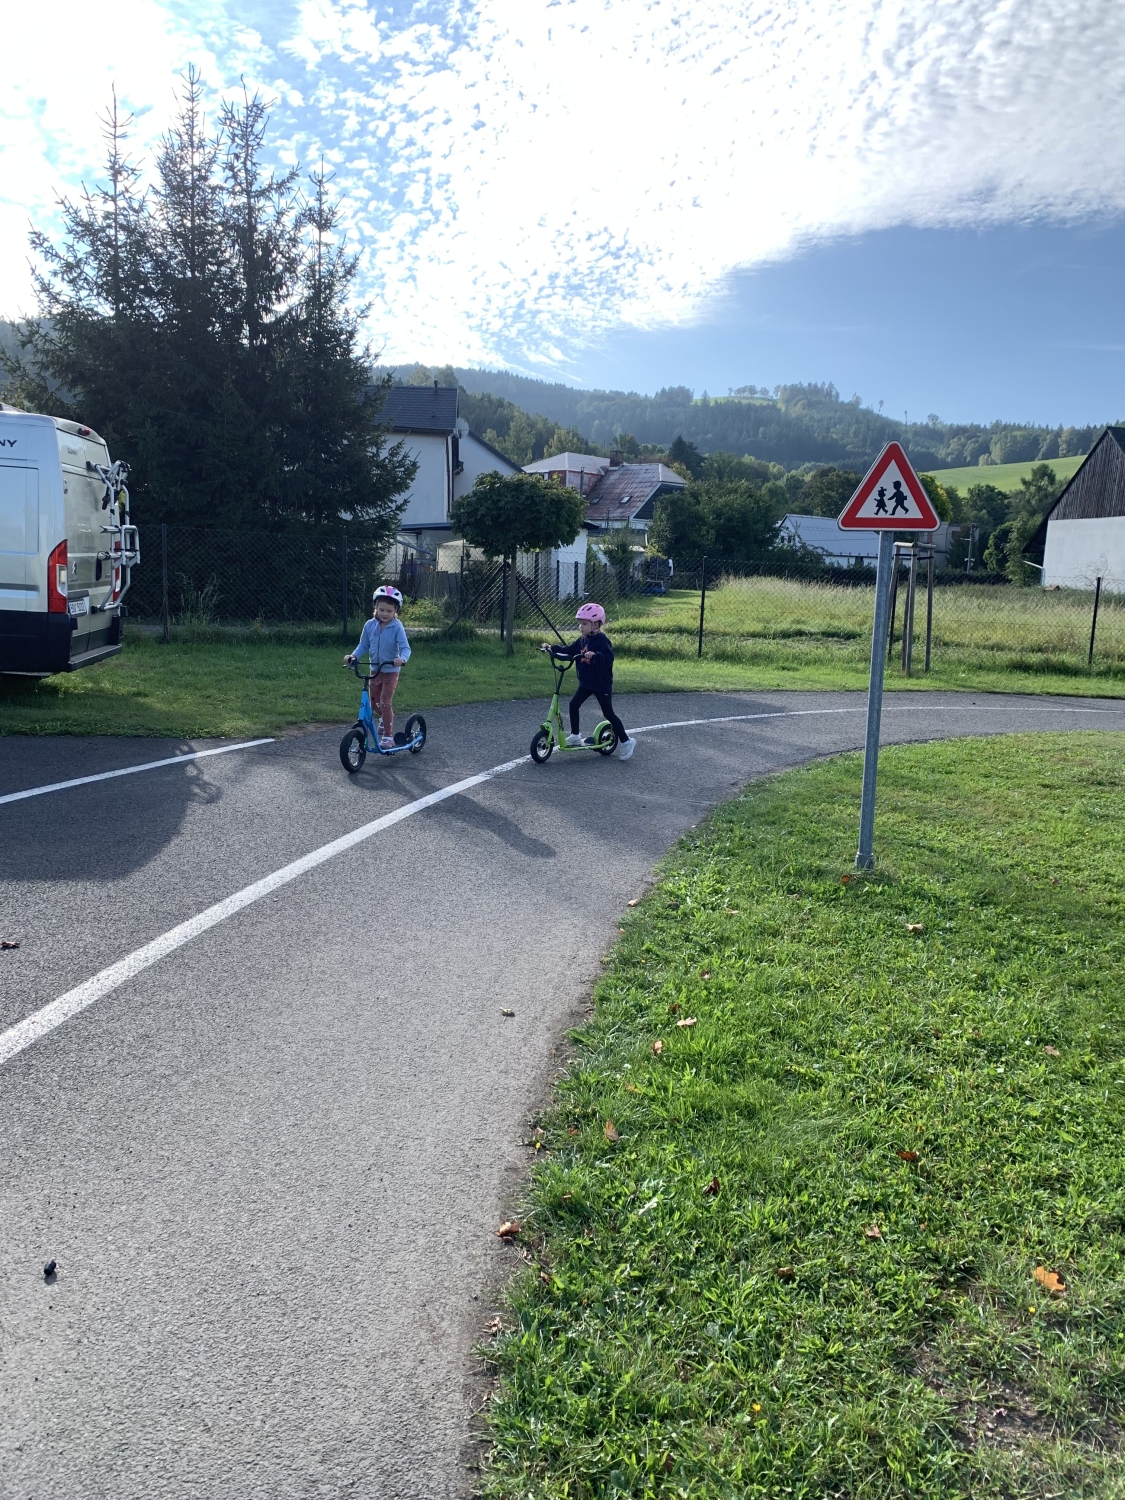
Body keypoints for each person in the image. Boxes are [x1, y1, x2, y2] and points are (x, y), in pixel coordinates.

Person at [541, 602, 634, 760]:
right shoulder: (582, 640)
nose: (581, 627)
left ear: (596, 624)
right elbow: (569, 651)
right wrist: (552, 648)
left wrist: (595, 655)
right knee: (573, 704)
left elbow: (608, 659)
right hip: (586, 683)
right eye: (580, 624)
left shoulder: (602, 640)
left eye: (584, 624)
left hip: (601, 684)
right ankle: (575, 735)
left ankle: (626, 742)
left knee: (608, 713)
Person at [345, 586, 411, 747]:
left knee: (385, 701)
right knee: (373, 703)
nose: (385, 614)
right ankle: (387, 717)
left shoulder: (397, 627)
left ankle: (388, 736)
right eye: (381, 609)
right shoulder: (369, 625)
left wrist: (402, 659)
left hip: (391, 670)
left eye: (389, 611)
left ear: (396, 610)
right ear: (375, 606)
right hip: (374, 669)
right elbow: (363, 645)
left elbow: (405, 648)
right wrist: (353, 656)